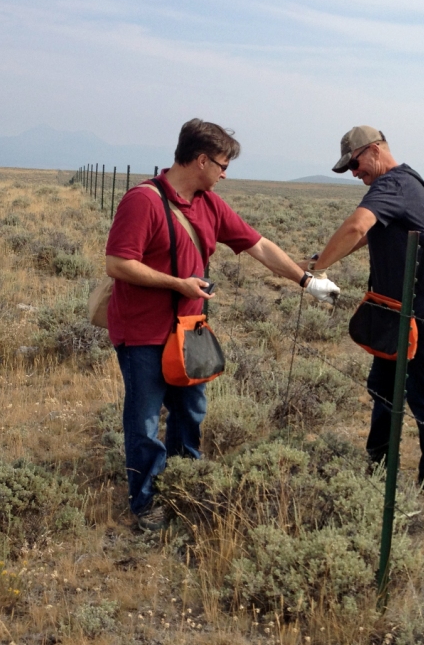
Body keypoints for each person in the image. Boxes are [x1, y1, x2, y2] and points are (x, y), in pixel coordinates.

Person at [105, 119, 339, 530]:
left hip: (190, 331)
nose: (225, 174)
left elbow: (259, 245)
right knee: (144, 422)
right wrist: (177, 282)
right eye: (222, 164)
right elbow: (118, 263)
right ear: (200, 160)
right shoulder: (142, 201)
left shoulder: (209, 203)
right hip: (143, 333)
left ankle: (185, 486)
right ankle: (146, 505)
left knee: (190, 415)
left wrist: (305, 281)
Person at [304, 126, 424, 509]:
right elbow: (366, 235)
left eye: (355, 165)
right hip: (394, 310)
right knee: (384, 390)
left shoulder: (393, 184)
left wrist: (315, 271)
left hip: (422, 313)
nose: (355, 174)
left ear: (373, 151)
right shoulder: (403, 185)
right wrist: (318, 262)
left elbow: (357, 225)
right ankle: (377, 464)